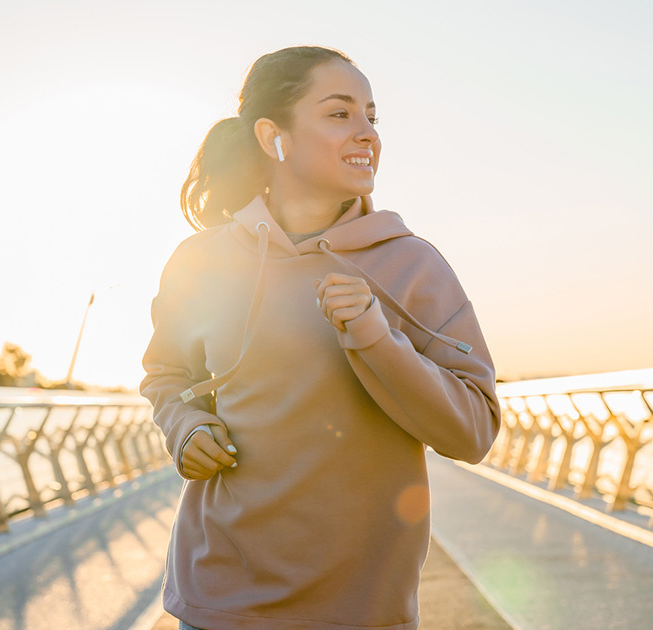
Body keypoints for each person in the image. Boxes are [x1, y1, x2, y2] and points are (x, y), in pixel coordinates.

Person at [139, 45, 501, 630]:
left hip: (360, 610)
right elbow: (165, 376)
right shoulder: (200, 260)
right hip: (217, 598)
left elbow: (475, 430)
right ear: (270, 135)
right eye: (340, 114)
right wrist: (185, 428)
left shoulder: (413, 266)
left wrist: (376, 339)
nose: (367, 134)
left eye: (372, 117)